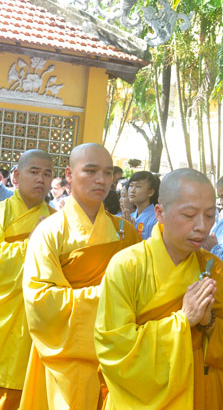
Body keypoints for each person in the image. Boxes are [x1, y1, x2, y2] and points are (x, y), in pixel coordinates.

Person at [95, 168, 223, 409]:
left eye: (210, 215)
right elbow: (113, 348)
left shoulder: (219, 272)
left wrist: (210, 324)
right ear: (160, 213)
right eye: (189, 215)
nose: (202, 226)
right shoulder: (127, 266)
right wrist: (183, 321)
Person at [20, 143, 141, 410]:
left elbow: (141, 291)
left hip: (117, 353)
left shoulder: (126, 232)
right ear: (69, 174)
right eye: (91, 171)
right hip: (67, 358)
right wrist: (108, 295)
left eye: (108, 173)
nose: (101, 180)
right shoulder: (49, 232)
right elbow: (41, 301)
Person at [0, 150, 54, 409]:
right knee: (6, 384)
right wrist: (31, 244)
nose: (41, 179)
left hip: (44, 319)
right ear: (17, 176)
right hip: (6, 317)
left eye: (47, 174)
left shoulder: (57, 219)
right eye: (34, 172)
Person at [128, 171, 160, 240]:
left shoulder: (156, 219)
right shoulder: (130, 216)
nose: (132, 190)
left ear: (150, 192)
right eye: (130, 186)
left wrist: (132, 231)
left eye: (138, 186)